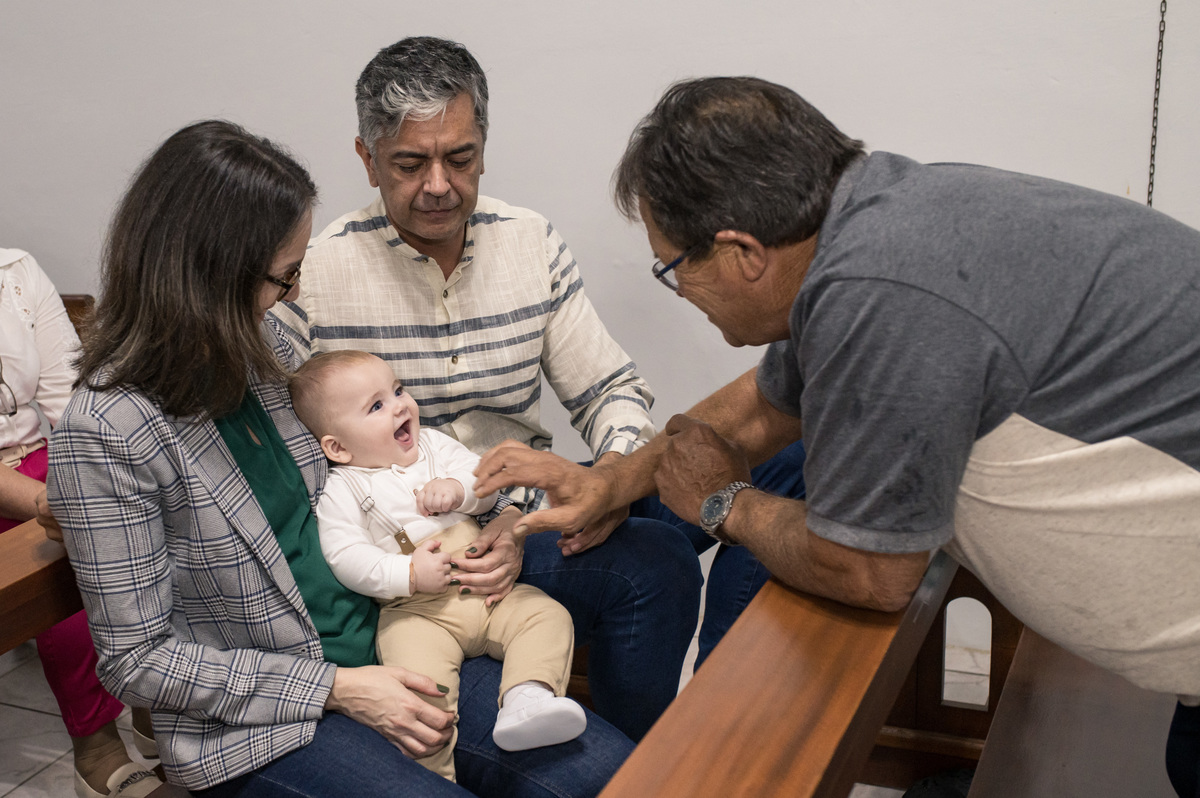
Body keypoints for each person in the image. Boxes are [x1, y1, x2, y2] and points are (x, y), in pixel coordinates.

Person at [474, 76, 1200, 796]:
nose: (679, 289)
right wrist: (613, 480)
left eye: (674, 268)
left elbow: (874, 574)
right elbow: (766, 402)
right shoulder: (879, 226)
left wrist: (726, 503)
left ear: (741, 252)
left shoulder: (882, 296)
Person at [46, 119, 632, 797]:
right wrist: (340, 688)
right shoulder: (107, 430)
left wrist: (479, 518)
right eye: (283, 276)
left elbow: (378, 475)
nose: (292, 295)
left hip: (396, 634)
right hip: (272, 719)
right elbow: (138, 662)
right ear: (208, 277)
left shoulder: (267, 351)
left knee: (608, 777)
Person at [270, 37, 798, 711]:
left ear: (484, 145)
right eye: (409, 164)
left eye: (459, 158)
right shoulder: (313, 274)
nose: (438, 185)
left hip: (535, 505)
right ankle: (635, 761)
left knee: (777, 459)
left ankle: (724, 718)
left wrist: (603, 482)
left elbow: (611, 393)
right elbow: (298, 463)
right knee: (658, 559)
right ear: (366, 160)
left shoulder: (529, 241)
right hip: (425, 543)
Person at [289, 349, 587, 781]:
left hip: (484, 589)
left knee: (546, 616)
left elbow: (482, 480)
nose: (399, 406)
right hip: (416, 614)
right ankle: (433, 778)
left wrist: (460, 490)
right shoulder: (344, 490)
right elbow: (345, 556)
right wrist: (406, 574)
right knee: (420, 692)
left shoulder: (434, 445)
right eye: (377, 406)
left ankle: (527, 698)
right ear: (338, 447)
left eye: (397, 390)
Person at [1, 246, 162, 798]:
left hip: (39, 454)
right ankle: (96, 746)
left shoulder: (13, 269)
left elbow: (74, 399)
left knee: (135, 501)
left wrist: (94, 478)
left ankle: (150, 697)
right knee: (61, 554)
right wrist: (54, 505)